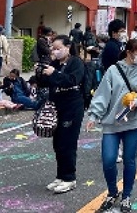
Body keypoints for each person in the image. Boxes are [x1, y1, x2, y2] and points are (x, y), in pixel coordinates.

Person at [86, 39, 137, 212]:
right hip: (112, 122)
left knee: (129, 159)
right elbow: (102, 94)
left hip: (134, 122)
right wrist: (94, 115)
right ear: (128, 52)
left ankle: (126, 195)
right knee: (108, 159)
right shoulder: (113, 70)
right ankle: (112, 192)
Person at [38, 35, 85, 194]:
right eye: (53, 48)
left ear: (68, 47)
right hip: (56, 106)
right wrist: (41, 72)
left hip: (72, 107)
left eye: (58, 48)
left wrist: (54, 74)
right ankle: (60, 175)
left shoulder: (76, 62)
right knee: (57, 142)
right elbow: (45, 82)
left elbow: (72, 80)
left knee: (67, 142)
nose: (55, 51)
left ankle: (69, 178)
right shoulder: (54, 63)